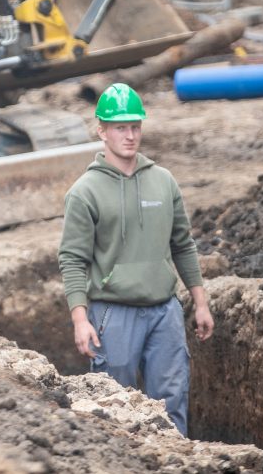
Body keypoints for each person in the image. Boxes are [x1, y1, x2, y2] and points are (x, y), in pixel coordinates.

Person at [57, 83, 214, 435]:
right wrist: (80, 320)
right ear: (102, 130)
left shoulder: (164, 181)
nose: (129, 136)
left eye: (135, 127)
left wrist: (200, 302)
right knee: (116, 405)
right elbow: (72, 259)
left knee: (172, 397)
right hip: (113, 315)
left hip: (164, 311)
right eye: (120, 128)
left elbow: (183, 245)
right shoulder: (85, 192)